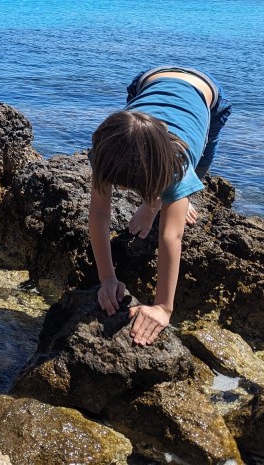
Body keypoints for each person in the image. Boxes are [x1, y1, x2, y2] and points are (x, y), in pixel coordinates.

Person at [87, 66, 232, 346]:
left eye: (129, 186)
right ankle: (162, 202)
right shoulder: (104, 151)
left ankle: (178, 199)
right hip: (148, 81)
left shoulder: (177, 166)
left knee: (201, 163)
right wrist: (107, 278)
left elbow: (171, 236)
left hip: (207, 96)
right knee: (136, 148)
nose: (123, 189)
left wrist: (163, 307)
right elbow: (99, 215)